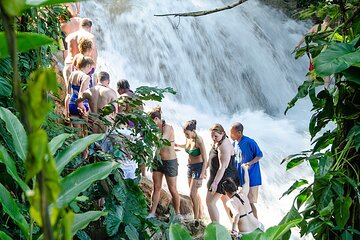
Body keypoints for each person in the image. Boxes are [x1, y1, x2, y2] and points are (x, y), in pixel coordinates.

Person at [147, 106, 181, 219]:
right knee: (156, 187)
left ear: (156, 119)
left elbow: (162, 141)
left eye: (151, 121)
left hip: (170, 162)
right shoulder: (154, 129)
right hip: (157, 160)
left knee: (172, 189)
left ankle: (178, 214)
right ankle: (152, 213)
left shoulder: (168, 128)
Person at [175, 120, 207, 221]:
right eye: (185, 134)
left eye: (187, 134)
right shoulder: (189, 138)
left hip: (198, 167)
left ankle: (196, 219)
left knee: (192, 194)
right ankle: (201, 213)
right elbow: (187, 146)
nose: (186, 136)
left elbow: (205, 159)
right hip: (190, 167)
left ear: (193, 131)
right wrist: (177, 145)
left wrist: (202, 174)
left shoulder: (199, 140)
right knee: (194, 193)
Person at [206, 123, 239, 223]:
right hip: (219, 176)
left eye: (215, 136)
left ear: (223, 133)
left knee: (210, 202)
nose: (213, 138)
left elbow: (223, 167)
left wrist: (215, 184)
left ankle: (216, 228)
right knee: (226, 203)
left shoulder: (224, 146)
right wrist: (205, 169)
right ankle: (234, 227)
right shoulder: (218, 142)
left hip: (223, 178)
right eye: (212, 136)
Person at [230, 122, 263, 219]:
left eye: (232, 133)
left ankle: (256, 224)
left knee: (251, 202)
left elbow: (259, 155)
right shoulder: (234, 143)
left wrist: (250, 163)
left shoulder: (250, 142)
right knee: (243, 202)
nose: (230, 135)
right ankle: (247, 223)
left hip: (252, 178)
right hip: (240, 179)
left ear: (239, 132)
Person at [222, 164, 264, 238]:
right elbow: (247, 182)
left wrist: (233, 230)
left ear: (226, 192)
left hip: (247, 233)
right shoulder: (243, 193)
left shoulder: (230, 202)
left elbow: (236, 214)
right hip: (259, 226)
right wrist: (245, 169)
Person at [295, 15, 332, 88]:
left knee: (312, 71)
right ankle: (326, 90)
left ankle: (310, 89)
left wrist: (298, 44)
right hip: (325, 53)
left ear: (323, 21)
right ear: (329, 22)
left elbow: (306, 36)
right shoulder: (331, 30)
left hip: (315, 53)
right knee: (326, 73)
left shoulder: (316, 27)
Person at [63, 18, 97, 84]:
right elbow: (94, 53)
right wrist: (93, 68)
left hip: (69, 66)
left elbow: (66, 52)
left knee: (70, 91)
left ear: (80, 26)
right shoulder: (90, 36)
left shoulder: (70, 36)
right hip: (82, 67)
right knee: (83, 92)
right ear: (89, 27)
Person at [65, 56, 94, 126]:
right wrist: (84, 109)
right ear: (88, 66)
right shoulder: (86, 77)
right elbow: (80, 96)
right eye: (91, 68)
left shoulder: (72, 74)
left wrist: (67, 111)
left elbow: (68, 95)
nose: (91, 70)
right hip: (82, 106)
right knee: (84, 133)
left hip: (71, 105)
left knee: (76, 132)